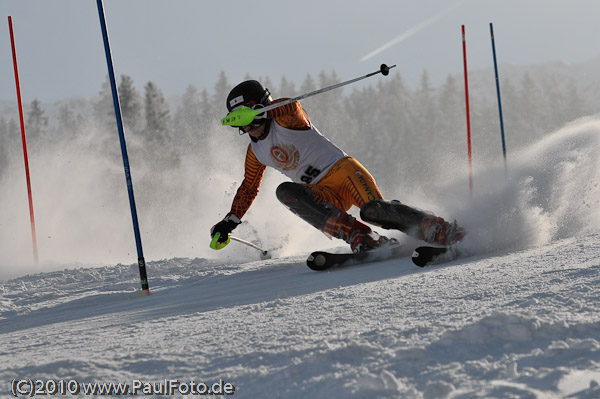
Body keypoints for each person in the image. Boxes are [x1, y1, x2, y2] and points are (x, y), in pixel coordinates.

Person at [210, 80, 465, 253]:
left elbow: (292, 106)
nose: (248, 127)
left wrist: (266, 110)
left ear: (264, 108)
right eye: (240, 124)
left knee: (374, 210)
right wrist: (229, 221)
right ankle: (360, 237)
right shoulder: (255, 151)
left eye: (249, 117)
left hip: (343, 172)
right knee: (285, 192)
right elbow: (248, 188)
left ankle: (438, 229)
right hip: (322, 192)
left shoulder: (287, 120)